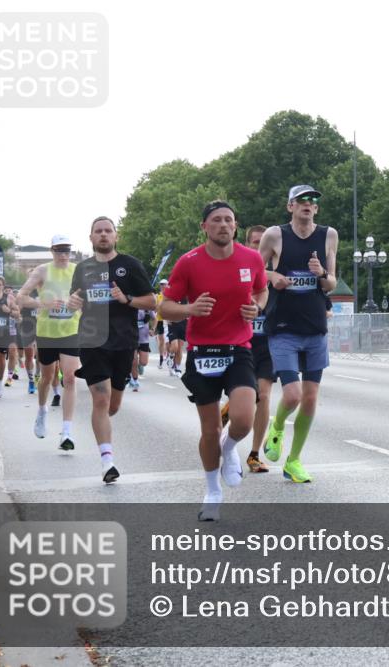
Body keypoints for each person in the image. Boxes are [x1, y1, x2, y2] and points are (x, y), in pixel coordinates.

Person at [160, 200, 267, 521]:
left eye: (229, 220)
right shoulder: (189, 262)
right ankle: (212, 491)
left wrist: (257, 308)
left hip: (238, 348)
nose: (223, 225)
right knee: (209, 429)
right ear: (205, 227)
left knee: (244, 419)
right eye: (216, 220)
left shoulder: (251, 258)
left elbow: (261, 292)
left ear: (235, 226)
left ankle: (230, 447)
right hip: (203, 351)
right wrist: (189, 310)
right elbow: (165, 307)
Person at [258, 184, 338, 483]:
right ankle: (276, 426)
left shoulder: (329, 235)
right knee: (292, 394)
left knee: (310, 398)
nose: (308, 204)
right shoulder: (275, 235)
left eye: (313, 201)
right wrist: (273, 276)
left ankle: (294, 460)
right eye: (301, 200)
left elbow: (331, 283)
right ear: (290, 206)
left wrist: (321, 275)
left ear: (316, 208)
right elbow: (253, 270)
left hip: (315, 327)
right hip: (283, 327)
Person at [68, 216, 156, 483]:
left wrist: (126, 299)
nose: (103, 235)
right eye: (98, 231)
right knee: (102, 400)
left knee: (112, 405)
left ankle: (101, 424)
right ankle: (108, 462)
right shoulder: (83, 268)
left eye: (108, 231)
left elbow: (151, 300)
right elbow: (76, 299)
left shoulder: (130, 266)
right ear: (91, 237)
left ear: (116, 236)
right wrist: (73, 301)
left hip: (123, 342)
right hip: (92, 341)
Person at [18, 235, 83, 450]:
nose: (64, 255)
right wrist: (41, 302)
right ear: (52, 251)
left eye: (67, 250)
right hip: (46, 332)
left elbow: (89, 297)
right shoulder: (42, 271)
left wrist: (79, 303)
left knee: (71, 378)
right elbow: (21, 297)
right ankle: (42, 410)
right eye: (59, 250)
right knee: (46, 378)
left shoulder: (78, 270)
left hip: (71, 330)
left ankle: (67, 432)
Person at [221, 224, 274, 473]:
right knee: (250, 394)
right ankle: (230, 409)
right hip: (241, 343)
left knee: (263, 395)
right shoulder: (239, 270)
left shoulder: (279, 275)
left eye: (265, 241)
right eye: (255, 242)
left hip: (269, 343)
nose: (260, 246)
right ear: (249, 244)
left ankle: (254, 455)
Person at [130, 308, 155, 390]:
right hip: (132, 337)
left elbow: (155, 318)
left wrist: (152, 329)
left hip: (144, 339)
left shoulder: (146, 306)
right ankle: (135, 380)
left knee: (144, 362)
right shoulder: (130, 304)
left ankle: (139, 365)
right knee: (134, 361)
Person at [155, 280, 168, 368]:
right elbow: (156, 308)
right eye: (161, 285)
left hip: (168, 320)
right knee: (161, 340)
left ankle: (167, 355)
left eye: (164, 284)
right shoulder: (158, 296)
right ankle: (161, 358)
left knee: (167, 341)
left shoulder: (170, 296)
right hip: (159, 320)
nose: (163, 286)